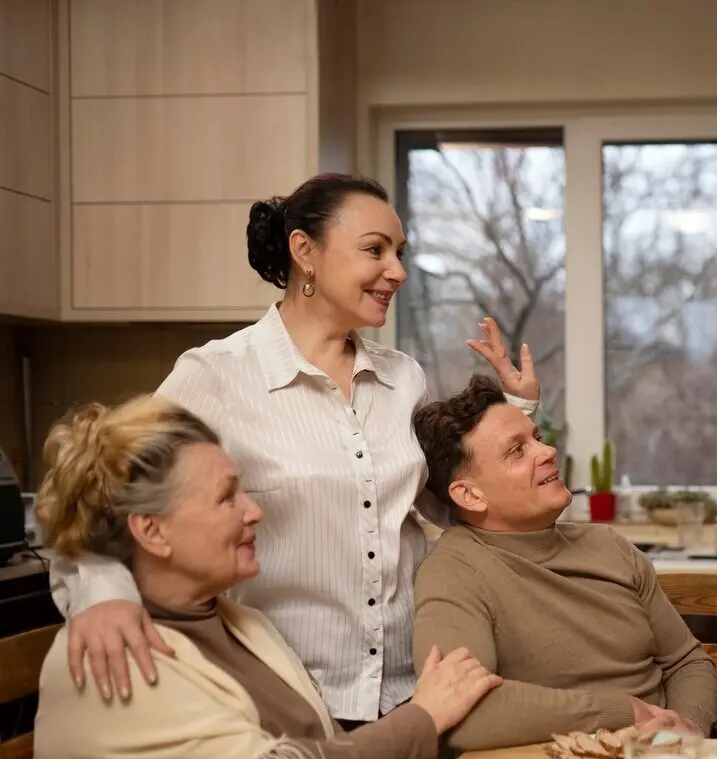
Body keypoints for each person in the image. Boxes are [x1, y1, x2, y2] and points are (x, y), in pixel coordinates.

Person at [48, 172, 539, 724]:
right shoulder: (216, 375)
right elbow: (96, 497)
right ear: (304, 251)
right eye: (375, 250)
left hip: (415, 693)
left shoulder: (405, 380)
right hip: (285, 703)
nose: (397, 272)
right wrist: (104, 595)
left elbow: (459, 508)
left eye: (400, 253)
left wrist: (517, 413)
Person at [29, 395, 502, 759]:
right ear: (152, 531)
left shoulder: (239, 622)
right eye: (226, 497)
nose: (254, 510)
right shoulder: (111, 659)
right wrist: (425, 715)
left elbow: (322, 757)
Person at [409, 374, 717, 751]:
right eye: (516, 451)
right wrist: (625, 713)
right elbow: (466, 713)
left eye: (536, 438)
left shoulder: (609, 546)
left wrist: (687, 728)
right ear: (470, 495)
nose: (547, 452)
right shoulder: (453, 571)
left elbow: (687, 661)